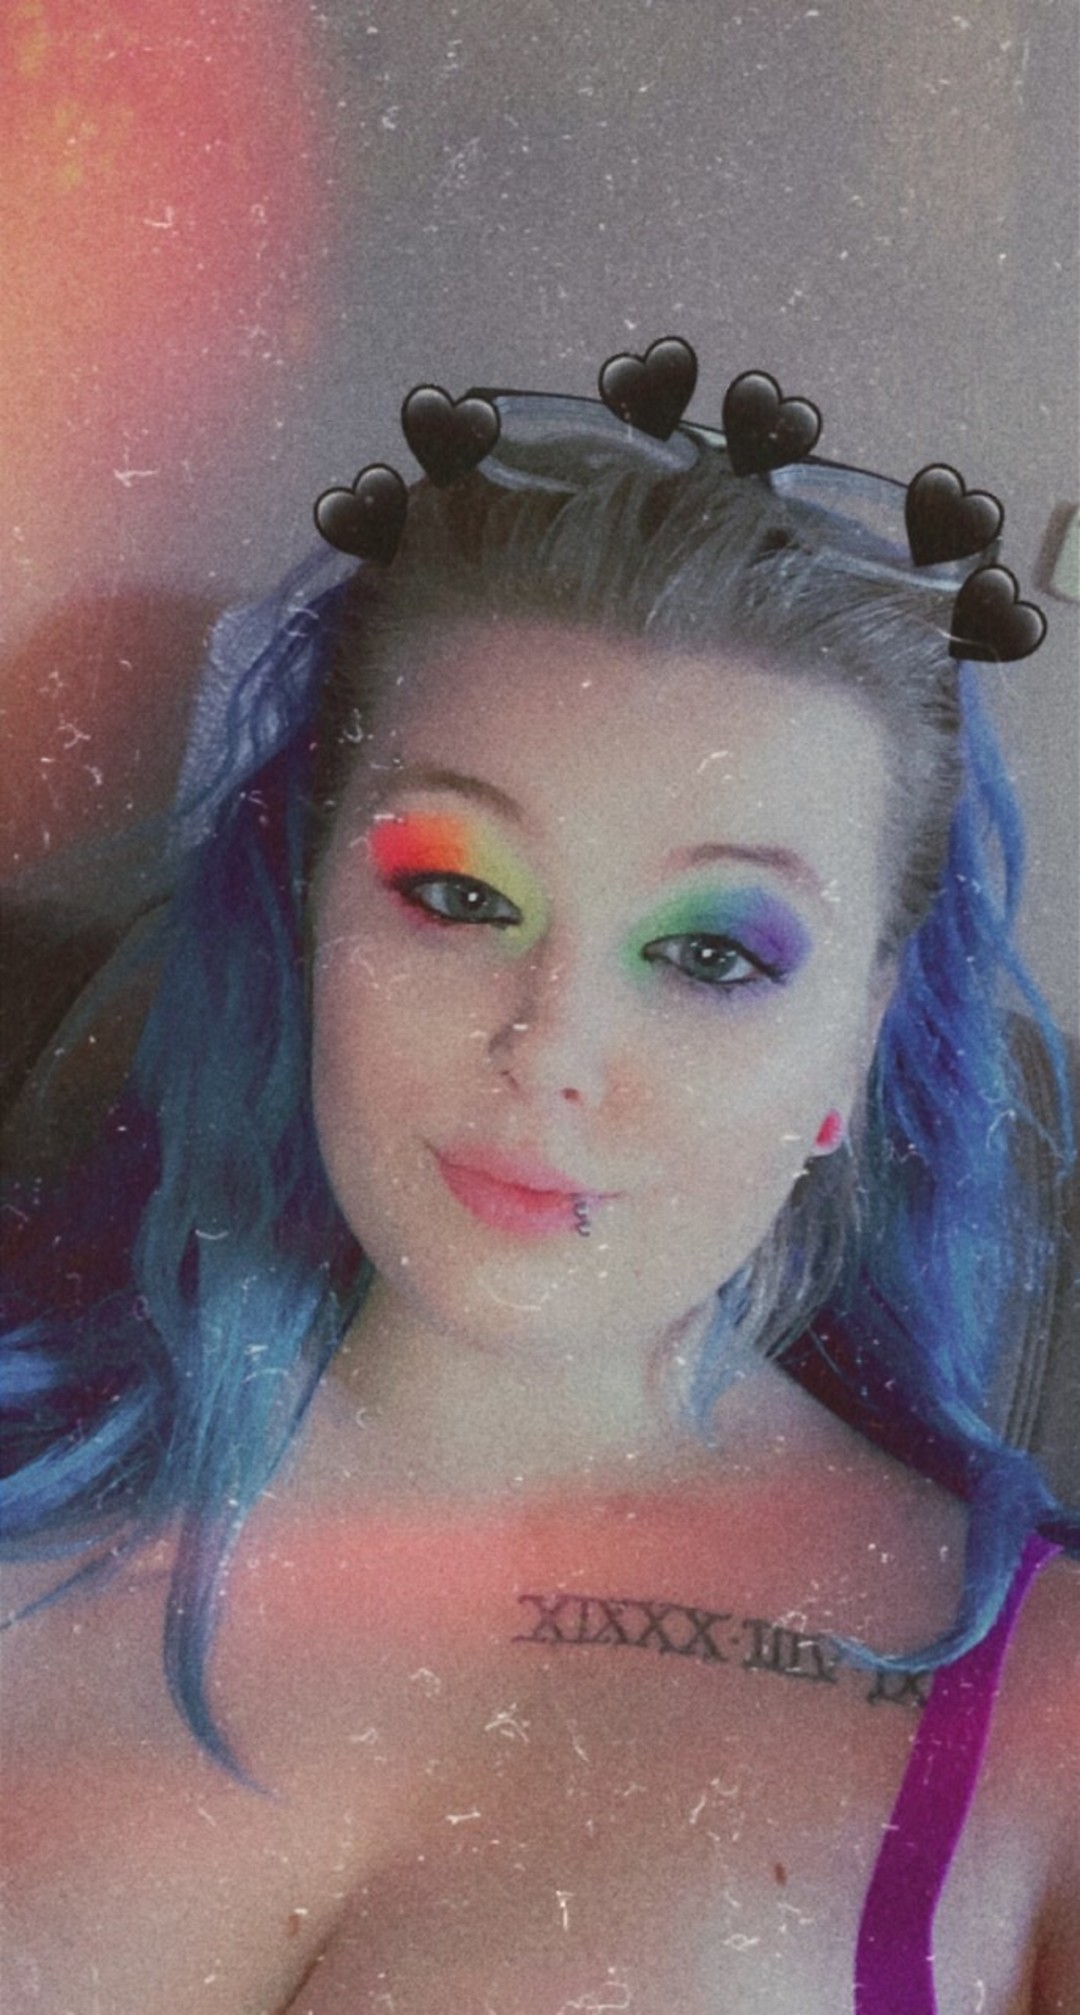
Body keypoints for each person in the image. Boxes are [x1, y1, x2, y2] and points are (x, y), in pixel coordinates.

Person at [2, 341, 1077, 2014]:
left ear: (855, 1051)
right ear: (308, 912)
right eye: (458, 895)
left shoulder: (1046, 1719)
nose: (551, 1046)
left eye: (712, 953)